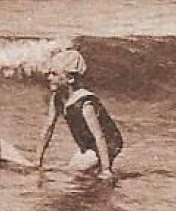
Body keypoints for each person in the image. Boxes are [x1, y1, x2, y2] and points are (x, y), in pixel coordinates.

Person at [35, 48, 123, 180]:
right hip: (88, 145)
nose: (49, 77)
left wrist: (106, 170)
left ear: (70, 78)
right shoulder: (57, 97)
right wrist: (37, 160)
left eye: (54, 74)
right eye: (49, 73)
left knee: (73, 171)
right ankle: (95, 170)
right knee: (75, 169)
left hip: (110, 143)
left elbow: (99, 136)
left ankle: (104, 168)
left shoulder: (85, 102)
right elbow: (48, 128)